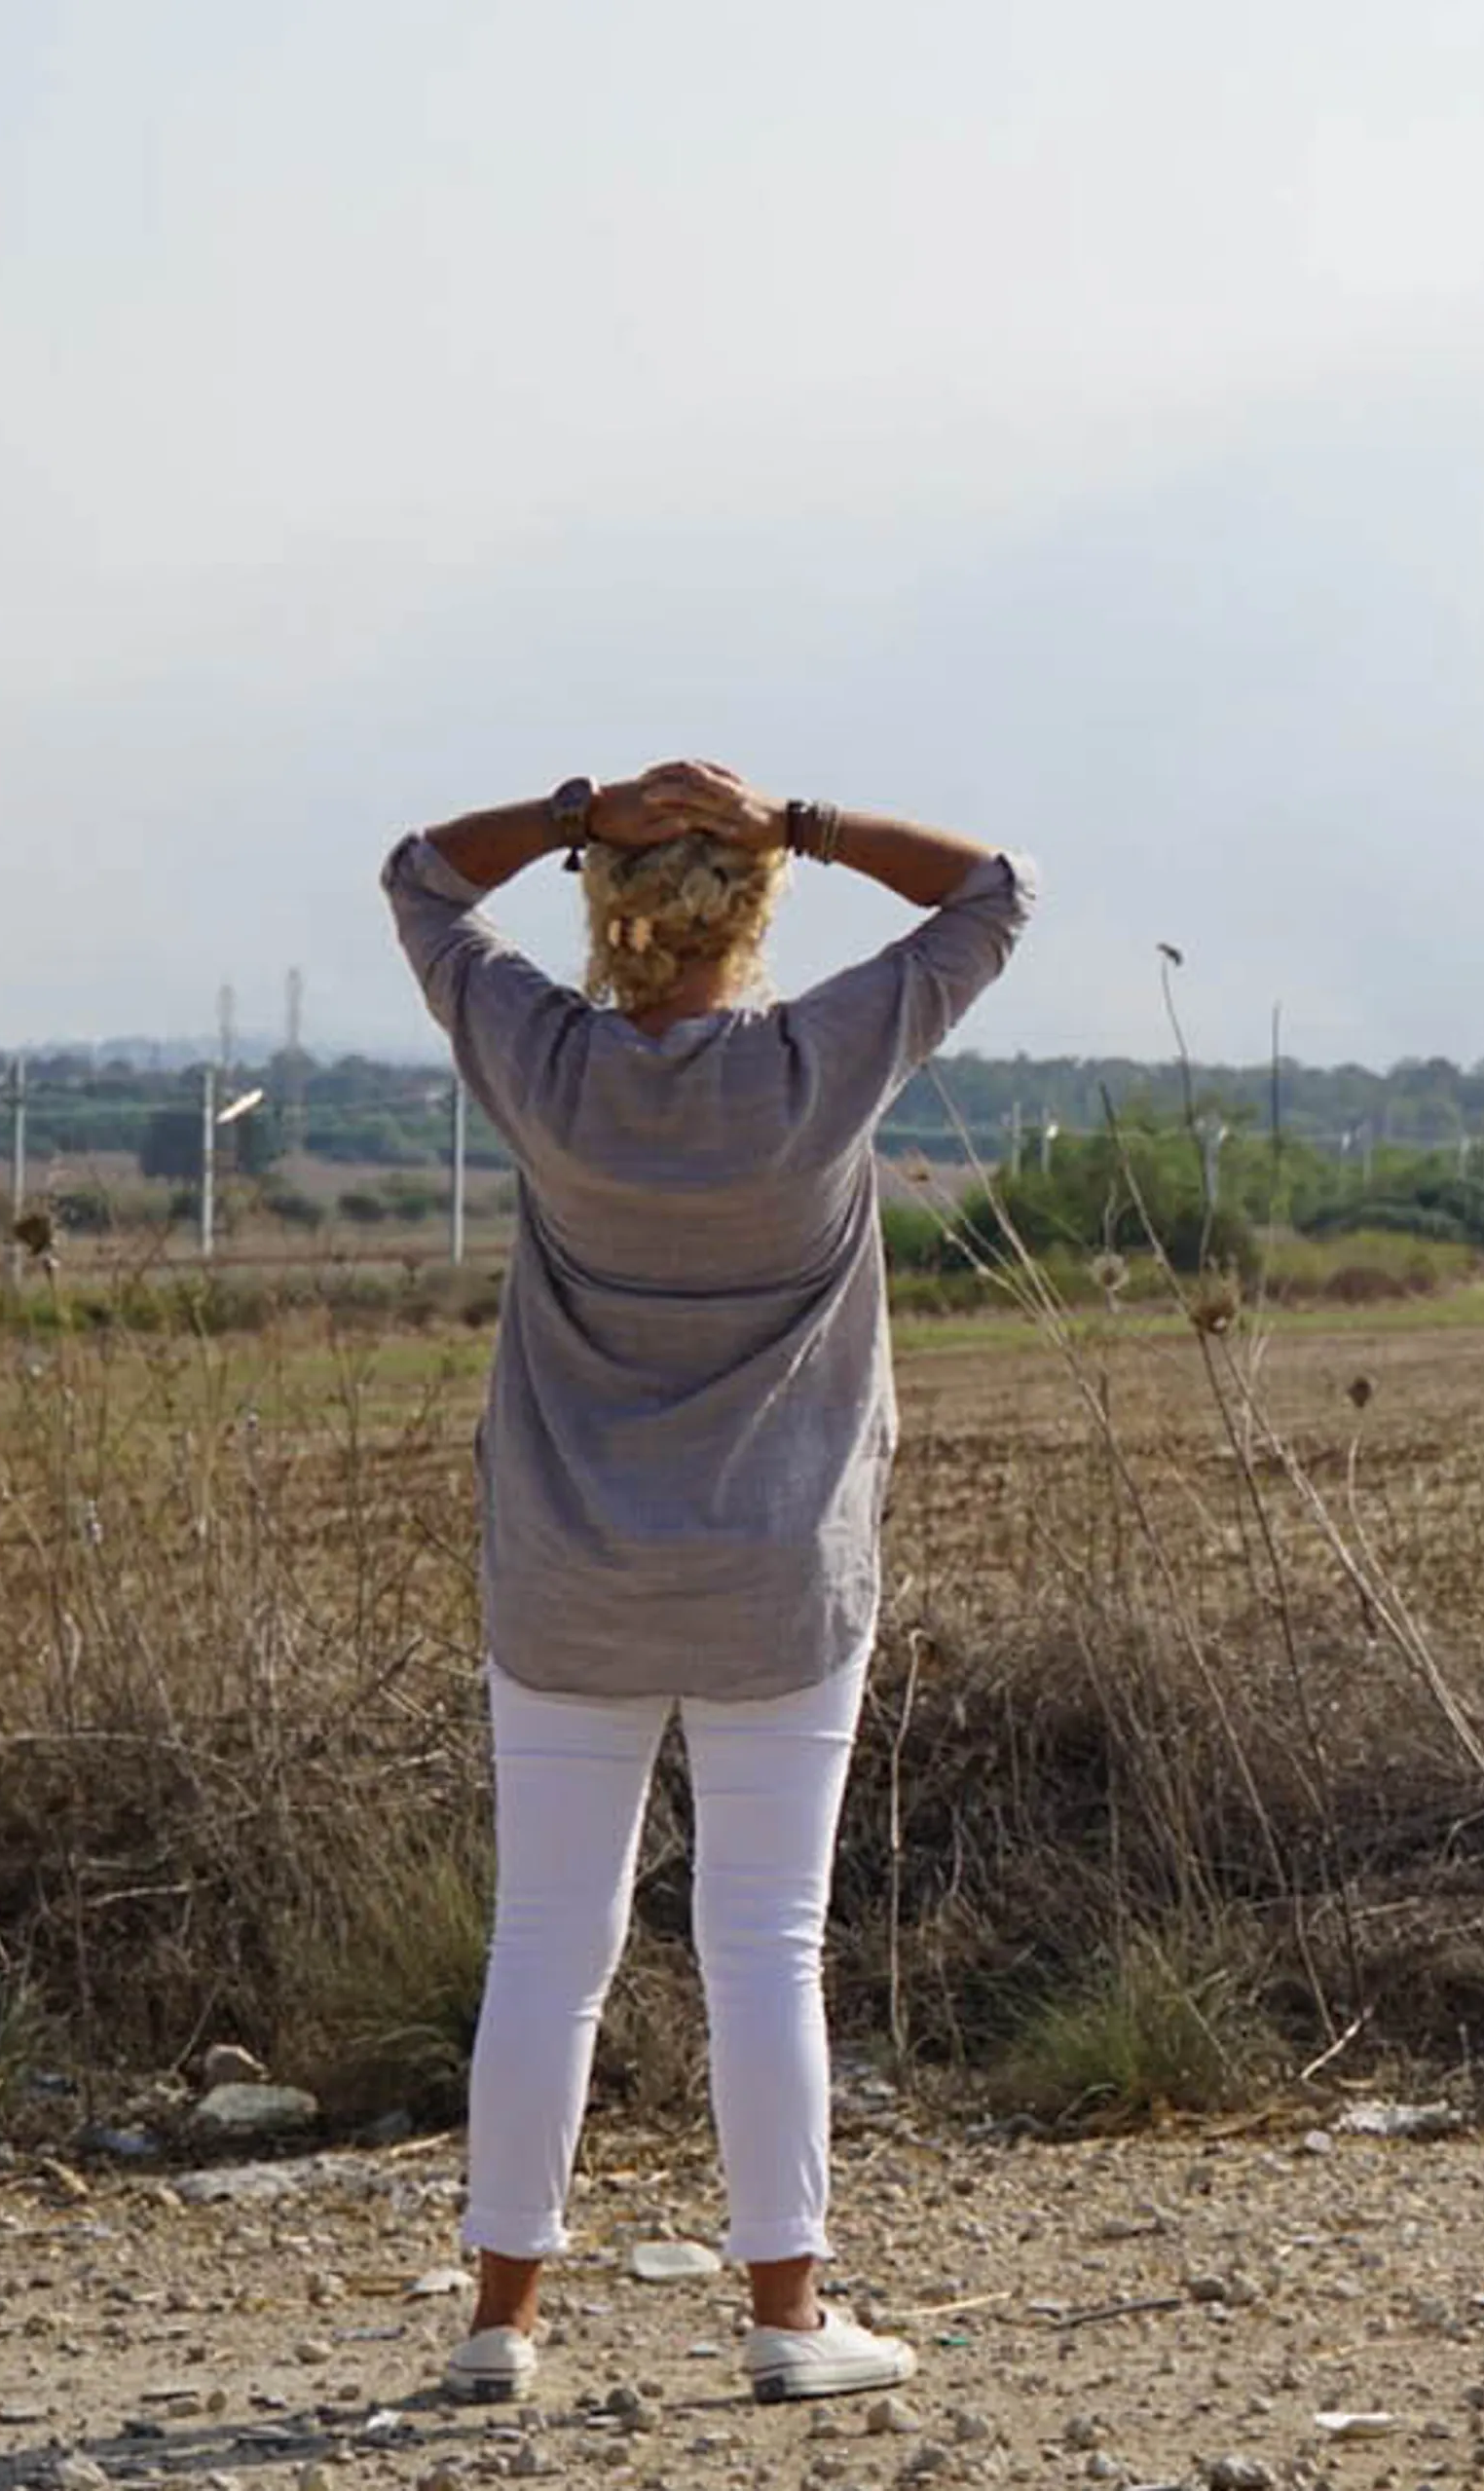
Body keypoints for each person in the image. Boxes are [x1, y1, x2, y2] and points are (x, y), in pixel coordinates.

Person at [381, 762, 1035, 2405]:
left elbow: (416, 875)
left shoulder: (546, 1065)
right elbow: (991, 891)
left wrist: (571, 810)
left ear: (608, 912)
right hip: (777, 1580)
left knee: (548, 1943)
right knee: (766, 1944)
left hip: (568, 1577)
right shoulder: (824, 1065)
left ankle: (501, 2320)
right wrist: (800, 821)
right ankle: (787, 2314)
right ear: (749, 908)